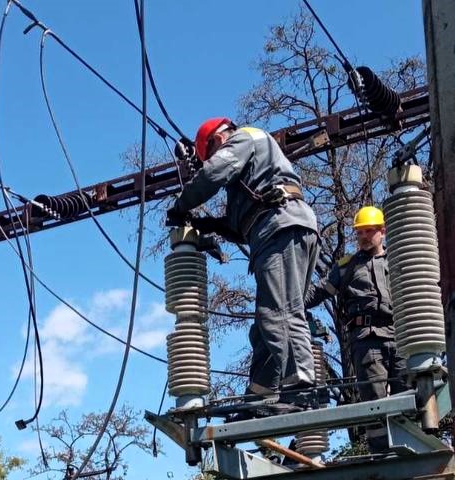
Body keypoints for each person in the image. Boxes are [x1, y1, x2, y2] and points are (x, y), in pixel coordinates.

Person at [167, 117, 319, 403]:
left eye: (209, 154)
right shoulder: (253, 174)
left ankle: (300, 386)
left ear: (217, 139)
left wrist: (180, 206)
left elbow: (213, 173)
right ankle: (260, 396)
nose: (212, 159)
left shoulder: (245, 138)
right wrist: (210, 225)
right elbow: (241, 226)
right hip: (282, 228)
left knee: (279, 313)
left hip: (280, 227)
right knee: (267, 322)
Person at [305, 206, 406, 452]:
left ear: (383, 231)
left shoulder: (401, 259)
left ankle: (412, 448)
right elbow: (320, 291)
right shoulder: (346, 267)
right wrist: (291, 302)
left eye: (368, 232)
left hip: (402, 336)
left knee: (411, 395)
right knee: (375, 401)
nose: (362, 237)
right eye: (359, 233)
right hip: (367, 340)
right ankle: (382, 456)